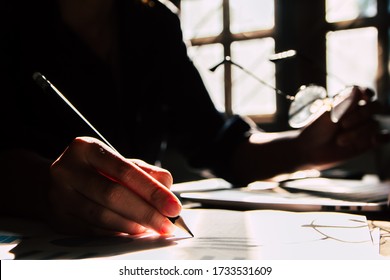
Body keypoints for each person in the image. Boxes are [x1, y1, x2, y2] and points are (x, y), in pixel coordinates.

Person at [0, 0, 386, 236]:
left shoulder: (152, 21)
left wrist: (302, 149)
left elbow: (215, 141)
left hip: (135, 244)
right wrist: (44, 187)